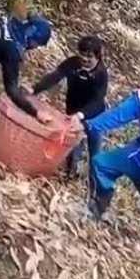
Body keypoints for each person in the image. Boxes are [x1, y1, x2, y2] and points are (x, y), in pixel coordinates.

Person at [70, 68, 140, 263]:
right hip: (137, 157)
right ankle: (97, 207)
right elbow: (119, 115)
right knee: (102, 163)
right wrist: (88, 125)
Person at [33, 35, 108, 177]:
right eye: (82, 55)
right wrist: (34, 89)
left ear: (98, 57)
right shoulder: (72, 64)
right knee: (73, 147)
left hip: (94, 115)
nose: (85, 60)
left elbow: (98, 101)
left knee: (95, 150)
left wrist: (81, 115)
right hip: (73, 111)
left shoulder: (101, 74)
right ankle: (71, 173)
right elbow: (55, 76)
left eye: (89, 56)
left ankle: (95, 178)